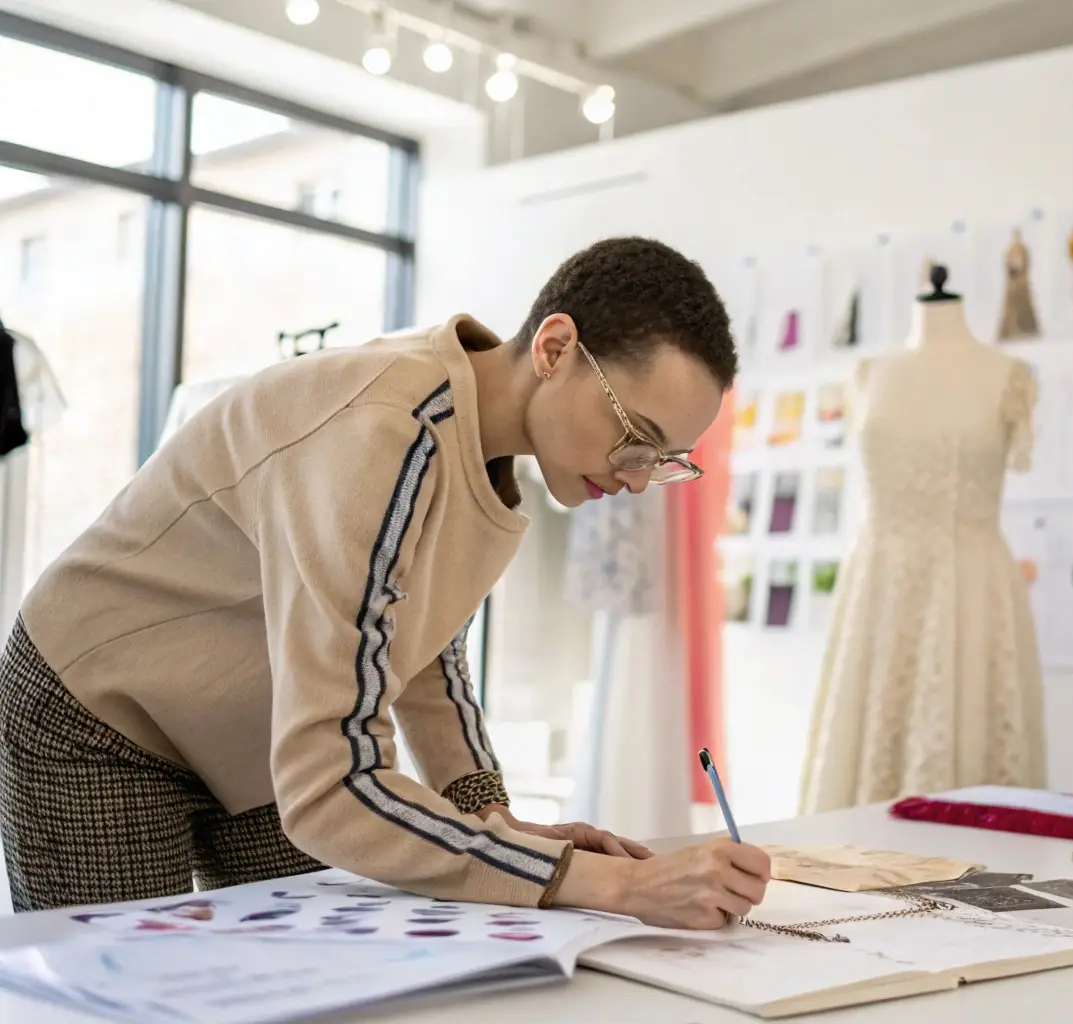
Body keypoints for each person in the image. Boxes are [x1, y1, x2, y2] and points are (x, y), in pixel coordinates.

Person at [0, 237, 772, 927]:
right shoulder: (387, 431)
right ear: (555, 348)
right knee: (136, 996)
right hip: (100, 713)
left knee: (318, 969)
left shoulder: (484, 457)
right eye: (637, 438)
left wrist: (493, 822)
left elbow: (423, 652)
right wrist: (610, 886)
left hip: (249, 726)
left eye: (665, 460)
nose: (638, 478)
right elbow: (334, 787)